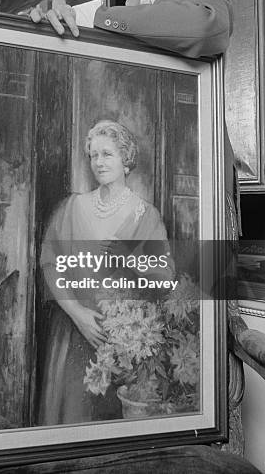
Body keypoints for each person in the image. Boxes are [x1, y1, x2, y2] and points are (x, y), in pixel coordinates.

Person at [29, 0, 240, 241]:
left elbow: (207, 29)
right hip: (131, 209)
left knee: (203, 292)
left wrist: (95, 18)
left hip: (200, 200)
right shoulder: (101, 27)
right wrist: (39, 32)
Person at [37, 120, 174, 425]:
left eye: (107, 154)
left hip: (121, 343)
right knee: (69, 421)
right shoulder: (72, 207)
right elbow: (50, 262)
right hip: (73, 334)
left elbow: (165, 278)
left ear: (126, 160)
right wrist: (75, 311)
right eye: (93, 155)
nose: (98, 162)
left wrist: (131, 259)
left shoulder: (146, 215)